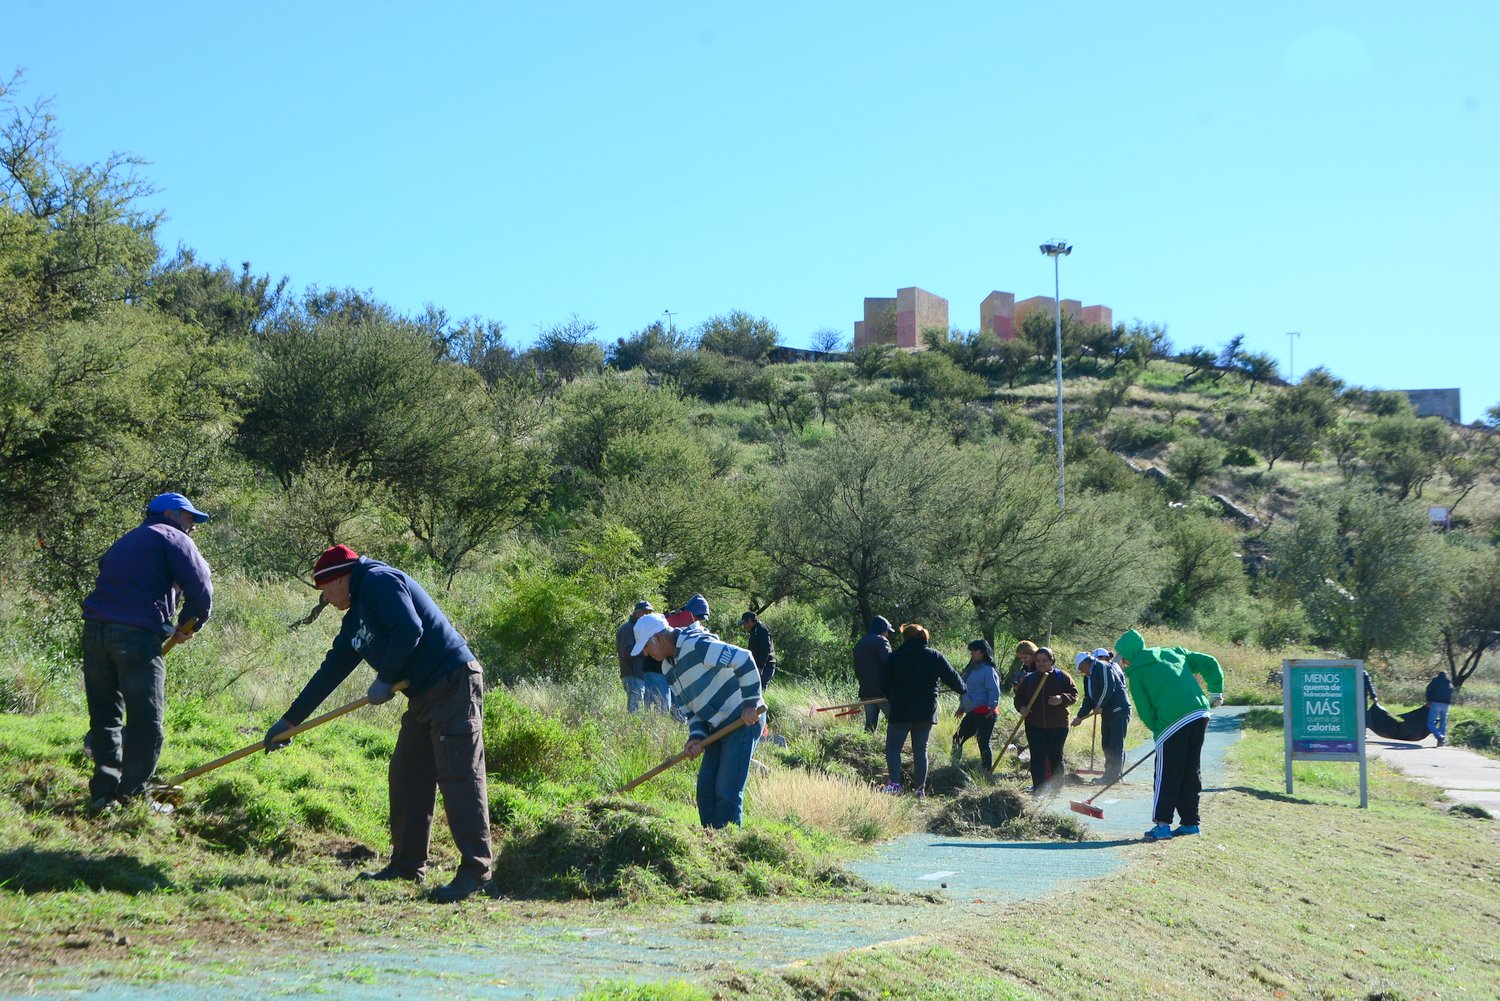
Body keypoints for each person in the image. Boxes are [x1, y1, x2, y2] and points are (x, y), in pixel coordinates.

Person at [265, 545, 493, 903]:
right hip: (422, 697)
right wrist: (290, 720)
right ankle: (406, 866)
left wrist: (385, 678)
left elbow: (409, 628)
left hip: (451, 685)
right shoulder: (356, 617)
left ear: (340, 578)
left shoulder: (378, 581)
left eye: (325, 588)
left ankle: (476, 871)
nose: (325, 598)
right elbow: (333, 668)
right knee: (407, 773)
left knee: (459, 776)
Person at [81, 492, 214, 813]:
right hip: (136, 638)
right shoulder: (173, 537)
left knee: (105, 718)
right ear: (168, 514)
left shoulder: (126, 541)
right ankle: (131, 798)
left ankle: (102, 795)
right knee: (145, 721)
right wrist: (189, 625)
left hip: (94, 632)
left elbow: (121, 583)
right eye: (188, 517)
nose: (192, 526)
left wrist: (172, 627)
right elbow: (201, 586)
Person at [630, 611, 764, 827]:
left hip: (742, 719)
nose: (645, 653)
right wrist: (696, 737)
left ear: (658, 638)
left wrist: (749, 703)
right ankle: (709, 845)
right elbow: (690, 709)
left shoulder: (697, 646)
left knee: (726, 791)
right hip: (716, 727)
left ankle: (727, 849)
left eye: (646, 646)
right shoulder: (667, 667)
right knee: (706, 792)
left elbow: (744, 658)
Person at [1114, 628, 1224, 841]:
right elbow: (1209, 662)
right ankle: (1190, 823)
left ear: (1130, 654)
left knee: (1166, 773)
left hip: (1171, 722)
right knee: (1190, 770)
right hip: (1200, 714)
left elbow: (1145, 709)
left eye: (1124, 657)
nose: (1124, 662)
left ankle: (1163, 826)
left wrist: (1159, 732)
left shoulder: (1137, 672)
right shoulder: (1174, 652)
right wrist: (1216, 691)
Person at [879, 624, 965, 797]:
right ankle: (920, 790)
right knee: (920, 750)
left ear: (905, 638)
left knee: (893, 748)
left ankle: (895, 785)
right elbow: (954, 678)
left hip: (901, 709)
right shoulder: (934, 656)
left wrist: (893, 697)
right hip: (926, 711)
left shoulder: (896, 656)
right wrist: (963, 688)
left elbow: (883, 681)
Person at [1012, 646, 1077, 795]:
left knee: (1056, 756)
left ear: (1052, 661)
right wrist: (1022, 707)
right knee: (1037, 756)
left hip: (1058, 725)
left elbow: (1074, 694)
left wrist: (1061, 699)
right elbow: (1019, 699)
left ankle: (1056, 790)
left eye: (1044, 660)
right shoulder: (1029, 679)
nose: (1041, 663)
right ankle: (1038, 789)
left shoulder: (1063, 677)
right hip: (1034, 724)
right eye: (1038, 660)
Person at [1072, 649, 1133, 784]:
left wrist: (1099, 704)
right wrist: (1079, 716)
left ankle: (1114, 776)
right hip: (1106, 712)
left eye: (1081, 668)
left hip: (1119, 710)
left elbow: (1108, 686)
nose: (1081, 671)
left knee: (1116, 743)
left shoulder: (1102, 666)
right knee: (1107, 743)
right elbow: (1088, 698)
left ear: (1086, 663)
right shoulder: (1087, 677)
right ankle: (1110, 774)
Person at [953, 640, 1001, 772]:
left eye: (974, 650)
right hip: (973, 711)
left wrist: (992, 707)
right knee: (958, 738)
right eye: (971, 650)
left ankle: (986, 771)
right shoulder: (971, 669)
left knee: (983, 742)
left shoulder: (988, 670)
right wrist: (962, 707)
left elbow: (994, 690)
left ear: (983, 652)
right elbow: (966, 691)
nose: (972, 653)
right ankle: (954, 767)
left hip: (986, 712)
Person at [852, 616, 894, 732]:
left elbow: (856, 669)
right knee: (897, 721)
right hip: (882, 692)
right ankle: (895, 748)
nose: (888, 635)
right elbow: (890, 664)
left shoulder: (860, 643)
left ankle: (865, 748)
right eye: (887, 631)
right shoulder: (881, 641)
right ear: (883, 629)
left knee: (870, 726)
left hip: (866, 691)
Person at [617, 601, 655, 712]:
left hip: (637, 673)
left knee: (637, 706)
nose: (647, 616)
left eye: (649, 613)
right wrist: (646, 650)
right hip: (632, 673)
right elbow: (626, 651)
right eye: (645, 612)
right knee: (634, 708)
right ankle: (631, 729)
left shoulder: (637, 627)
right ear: (637, 612)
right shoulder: (628, 629)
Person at [739, 611, 777, 689]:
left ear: (749, 621)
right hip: (758, 666)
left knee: (761, 690)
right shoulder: (754, 631)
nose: (744, 627)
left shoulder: (762, 630)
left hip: (766, 666)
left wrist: (760, 667)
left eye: (744, 623)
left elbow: (766, 649)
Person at [1425, 671, 1453, 747]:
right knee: (1443, 722)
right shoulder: (1449, 682)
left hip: (1436, 703)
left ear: (1439, 675)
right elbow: (1451, 692)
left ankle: (1439, 736)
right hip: (1447, 704)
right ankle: (1442, 741)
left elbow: (1428, 689)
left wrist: (1428, 700)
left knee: (1430, 722)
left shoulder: (1435, 680)